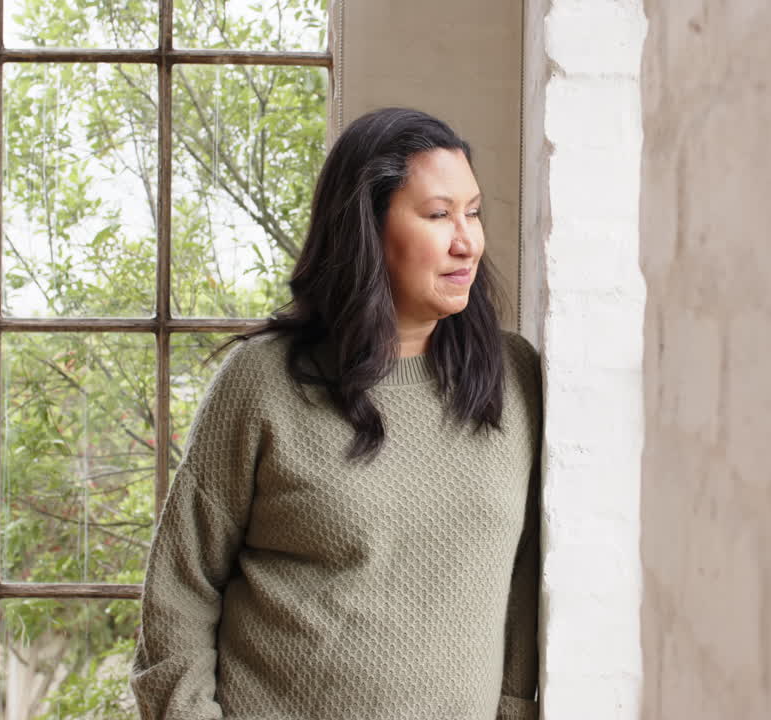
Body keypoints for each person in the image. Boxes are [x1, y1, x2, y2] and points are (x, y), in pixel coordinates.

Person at [130, 107, 541, 720]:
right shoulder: (262, 382)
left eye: (473, 211)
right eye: (437, 215)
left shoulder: (513, 377)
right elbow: (177, 595)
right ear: (366, 230)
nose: (468, 241)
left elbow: (524, 584)